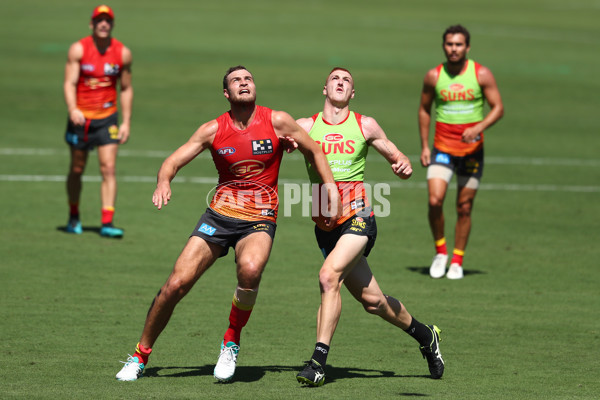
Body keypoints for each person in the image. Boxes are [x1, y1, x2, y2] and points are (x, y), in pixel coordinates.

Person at [115, 66, 341, 382]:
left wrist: (329, 188)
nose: (244, 83)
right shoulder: (212, 130)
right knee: (175, 285)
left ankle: (231, 339)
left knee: (250, 270)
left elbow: (314, 149)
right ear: (227, 94)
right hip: (219, 217)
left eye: (248, 79)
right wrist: (164, 181)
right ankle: (140, 355)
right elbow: (173, 160)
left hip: (259, 218)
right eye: (236, 80)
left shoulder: (277, 121)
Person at [293, 67, 444, 387]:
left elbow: (396, 155)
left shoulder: (365, 124)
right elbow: (278, 142)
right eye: (335, 78)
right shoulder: (305, 127)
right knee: (373, 302)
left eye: (347, 81)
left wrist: (401, 163)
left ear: (352, 94)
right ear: (324, 88)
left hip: (358, 216)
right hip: (325, 225)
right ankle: (426, 335)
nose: (340, 82)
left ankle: (318, 362)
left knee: (327, 276)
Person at [418, 24, 504, 279]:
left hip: (472, 151)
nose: (453, 49)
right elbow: (424, 109)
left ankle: (457, 260)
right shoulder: (434, 76)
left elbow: (498, 108)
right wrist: (424, 146)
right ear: (443, 46)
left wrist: (479, 127)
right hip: (442, 148)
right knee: (435, 200)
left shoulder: (481, 74)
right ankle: (440, 252)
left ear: (467, 47)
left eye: (458, 44)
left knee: (464, 207)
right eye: (449, 44)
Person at [63, 5, 133, 238]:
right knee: (77, 169)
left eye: (108, 21)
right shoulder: (78, 49)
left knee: (109, 168)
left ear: (112, 25)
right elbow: (69, 83)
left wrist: (126, 122)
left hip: (107, 119)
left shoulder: (122, 53)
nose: (104, 24)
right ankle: (74, 215)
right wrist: (73, 109)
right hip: (80, 119)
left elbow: (125, 88)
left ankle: (107, 222)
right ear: (92, 24)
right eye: (99, 20)